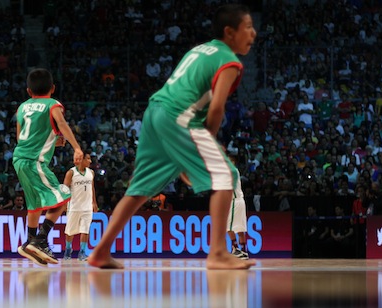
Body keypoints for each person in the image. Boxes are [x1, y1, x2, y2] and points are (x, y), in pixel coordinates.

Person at [88, 4, 256, 270]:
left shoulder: (200, 49)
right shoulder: (230, 61)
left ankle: (100, 251)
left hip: (155, 112)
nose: (253, 33)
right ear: (230, 32)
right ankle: (219, 253)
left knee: (139, 191)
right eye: (248, 27)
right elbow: (216, 108)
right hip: (179, 117)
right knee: (227, 175)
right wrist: (202, 147)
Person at [13, 68, 84, 266]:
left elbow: (21, 138)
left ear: (29, 91)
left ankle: (29, 241)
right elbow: (61, 123)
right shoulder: (53, 104)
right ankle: (40, 240)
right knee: (63, 196)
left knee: (35, 204)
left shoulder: (22, 108)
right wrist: (76, 147)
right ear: (53, 88)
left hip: (19, 159)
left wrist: (52, 142)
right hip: (35, 161)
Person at [62, 152, 97, 261]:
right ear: (81, 159)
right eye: (88, 158)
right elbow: (64, 189)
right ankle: (68, 250)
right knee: (70, 231)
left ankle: (82, 252)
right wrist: (63, 204)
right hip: (74, 206)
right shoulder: (71, 173)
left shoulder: (91, 172)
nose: (90, 161)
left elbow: (92, 188)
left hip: (87, 207)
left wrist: (94, 202)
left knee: (85, 230)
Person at [227, 154, 249, 259]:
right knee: (240, 228)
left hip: (234, 201)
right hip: (239, 201)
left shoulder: (232, 171)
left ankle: (235, 248)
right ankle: (244, 251)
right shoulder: (233, 171)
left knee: (227, 226)